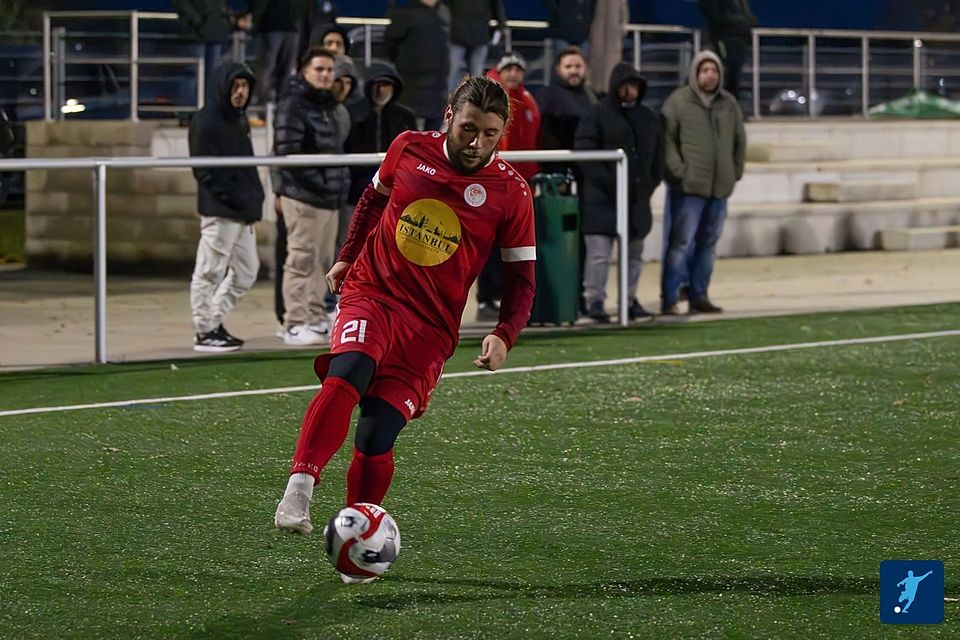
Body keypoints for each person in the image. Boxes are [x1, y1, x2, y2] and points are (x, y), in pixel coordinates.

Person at [273, 78, 537, 569]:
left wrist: (505, 333)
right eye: (468, 128)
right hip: (373, 292)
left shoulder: (511, 192)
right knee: (348, 371)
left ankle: (357, 543)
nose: (476, 142)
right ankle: (299, 488)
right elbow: (373, 200)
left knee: (376, 435)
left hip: (430, 330)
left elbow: (522, 277)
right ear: (449, 117)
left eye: (489, 134)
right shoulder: (409, 148)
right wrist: (348, 255)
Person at [274, 46, 350, 346]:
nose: (325, 75)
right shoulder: (293, 104)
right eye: (319, 69)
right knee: (301, 259)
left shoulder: (328, 104)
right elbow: (287, 152)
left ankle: (315, 316)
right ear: (304, 71)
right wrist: (320, 182)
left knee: (323, 261)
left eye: (329, 70)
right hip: (303, 196)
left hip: (327, 196)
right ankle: (294, 322)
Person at [660, 51, 746, 315]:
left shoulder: (729, 104)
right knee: (680, 244)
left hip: (719, 188)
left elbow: (739, 139)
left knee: (707, 245)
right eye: (705, 70)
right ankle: (670, 297)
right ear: (695, 73)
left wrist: (735, 171)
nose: (710, 75)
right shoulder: (678, 102)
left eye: (714, 70)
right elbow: (666, 140)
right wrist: (678, 171)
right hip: (688, 188)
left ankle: (699, 294)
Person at [187, 61, 265, 352]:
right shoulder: (206, 121)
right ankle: (204, 330)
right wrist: (235, 197)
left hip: (242, 212)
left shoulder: (239, 119)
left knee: (247, 270)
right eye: (235, 86)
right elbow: (203, 170)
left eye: (244, 86)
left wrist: (253, 199)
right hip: (220, 211)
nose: (240, 92)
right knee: (209, 270)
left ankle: (213, 322)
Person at [575, 62, 661, 323]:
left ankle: (629, 300)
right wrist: (611, 183)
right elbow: (586, 153)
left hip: (636, 201)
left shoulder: (648, 117)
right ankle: (595, 301)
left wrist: (648, 184)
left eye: (634, 86)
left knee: (633, 255)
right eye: (626, 86)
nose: (630, 91)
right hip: (600, 200)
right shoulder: (597, 113)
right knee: (599, 256)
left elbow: (658, 156)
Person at [478, 51, 541, 321]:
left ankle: (507, 300)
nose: (514, 74)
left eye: (518, 69)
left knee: (514, 244)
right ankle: (486, 299)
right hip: (493, 181)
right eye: (509, 69)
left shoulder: (526, 99)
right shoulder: (488, 97)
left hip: (519, 183)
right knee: (489, 244)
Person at [385, 0, 451, 131]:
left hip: (435, 88)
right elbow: (391, 45)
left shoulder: (442, 14)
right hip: (413, 87)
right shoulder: (407, 15)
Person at [536, 46, 597, 175]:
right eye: (568, 67)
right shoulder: (547, 95)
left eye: (578, 66)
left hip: (588, 166)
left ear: (585, 68)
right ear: (558, 69)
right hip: (557, 167)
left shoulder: (592, 97)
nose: (574, 71)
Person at [172, 0, 240, 102]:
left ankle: (208, 107)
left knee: (212, 75)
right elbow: (181, 3)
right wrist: (196, 21)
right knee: (192, 74)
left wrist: (226, 19)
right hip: (194, 33)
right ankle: (188, 108)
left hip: (215, 31)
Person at [245, 0, 302, 105]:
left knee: (288, 68)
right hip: (270, 25)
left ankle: (283, 102)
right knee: (267, 67)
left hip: (291, 26)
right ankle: (264, 102)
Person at [698, 0, 757, 98]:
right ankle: (726, 94)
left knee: (735, 67)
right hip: (725, 35)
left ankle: (731, 94)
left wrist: (748, 21)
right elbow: (711, 12)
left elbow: (746, 12)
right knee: (728, 66)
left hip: (740, 35)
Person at [444, 0, 507, 93]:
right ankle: (453, 99)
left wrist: (502, 25)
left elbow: (496, 5)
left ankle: (471, 99)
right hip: (460, 36)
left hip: (475, 35)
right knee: (456, 72)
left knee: (471, 74)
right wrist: (502, 25)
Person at [587, 0, 628, 96]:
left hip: (612, 34)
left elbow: (623, 12)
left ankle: (607, 90)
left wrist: (623, 25)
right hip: (595, 34)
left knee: (611, 63)